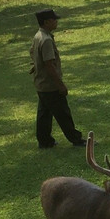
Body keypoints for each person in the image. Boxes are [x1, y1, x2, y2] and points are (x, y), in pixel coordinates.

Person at [29, 8, 86, 149]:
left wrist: (36, 67)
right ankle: (76, 139)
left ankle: (45, 141)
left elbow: (33, 54)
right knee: (63, 113)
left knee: (44, 114)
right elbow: (49, 65)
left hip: (41, 84)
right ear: (47, 22)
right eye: (54, 20)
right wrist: (60, 85)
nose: (56, 22)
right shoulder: (46, 39)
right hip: (50, 85)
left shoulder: (38, 36)